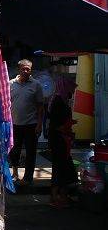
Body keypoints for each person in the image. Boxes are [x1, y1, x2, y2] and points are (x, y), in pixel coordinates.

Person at [9, 59, 44, 186]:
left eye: (28, 69)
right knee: (14, 150)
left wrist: (39, 125)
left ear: (31, 70)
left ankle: (28, 177)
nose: (25, 71)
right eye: (23, 69)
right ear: (19, 69)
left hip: (31, 124)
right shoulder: (11, 84)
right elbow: (6, 104)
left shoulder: (36, 85)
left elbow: (40, 107)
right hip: (14, 124)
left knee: (31, 152)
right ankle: (14, 173)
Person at [48, 76, 77, 207]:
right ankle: (55, 197)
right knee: (59, 168)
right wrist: (67, 128)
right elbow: (55, 124)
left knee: (63, 168)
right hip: (58, 140)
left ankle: (62, 196)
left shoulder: (62, 100)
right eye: (71, 87)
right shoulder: (58, 102)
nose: (73, 90)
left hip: (62, 138)